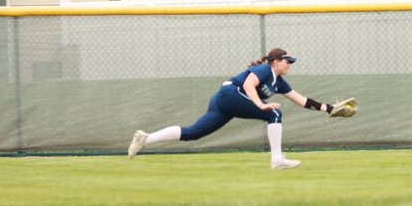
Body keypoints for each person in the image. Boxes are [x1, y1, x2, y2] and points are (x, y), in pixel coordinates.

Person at [128, 48, 343, 169]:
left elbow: (301, 100)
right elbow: (249, 84)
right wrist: (261, 104)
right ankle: (277, 160)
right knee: (274, 113)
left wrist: (329, 108)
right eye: (287, 61)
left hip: (224, 102)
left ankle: (146, 138)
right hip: (231, 94)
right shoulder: (264, 69)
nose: (290, 65)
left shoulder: (279, 82)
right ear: (276, 61)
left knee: (194, 133)